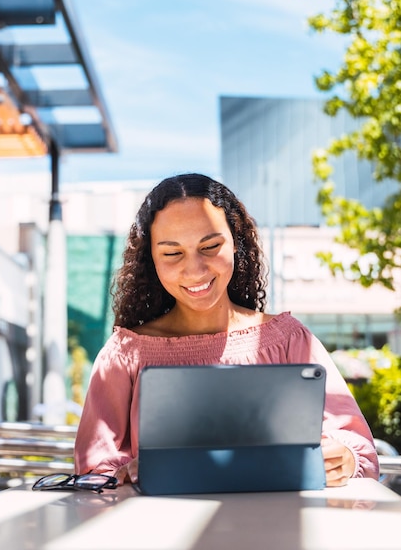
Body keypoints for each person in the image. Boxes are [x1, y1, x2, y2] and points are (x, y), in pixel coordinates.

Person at [74, 173, 379, 487]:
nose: (195, 270)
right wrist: (125, 475)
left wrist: (345, 455)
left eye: (210, 246)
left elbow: (363, 452)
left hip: (274, 531)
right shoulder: (124, 355)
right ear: (150, 259)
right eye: (172, 253)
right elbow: (94, 472)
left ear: (236, 242)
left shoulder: (289, 340)